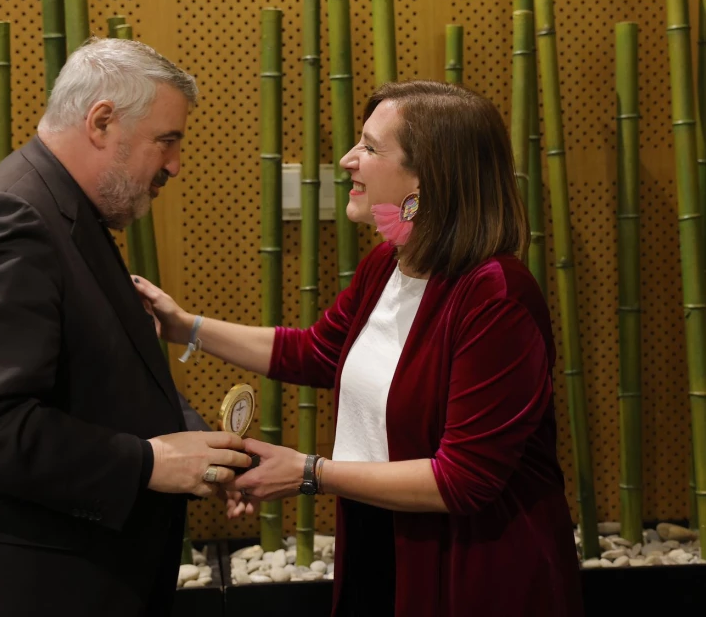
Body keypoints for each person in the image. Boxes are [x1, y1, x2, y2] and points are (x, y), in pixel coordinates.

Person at [135, 80, 584, 617]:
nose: (348, 160)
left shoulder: (496, 296)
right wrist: (185, 327)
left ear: (428, 178)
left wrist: (308, 473)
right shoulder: (388, 264)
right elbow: (317, 352)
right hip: (380, 537)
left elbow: (463, 480)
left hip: (473, 570)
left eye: (370, 148)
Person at [0, 37, 251, 617]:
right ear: (102, 121)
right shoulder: (14, 216)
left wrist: (201, 447)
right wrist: (147, 464)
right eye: (167, 141)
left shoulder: (68, 207)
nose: (175, 165)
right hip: (43, 584)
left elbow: (104, 376)